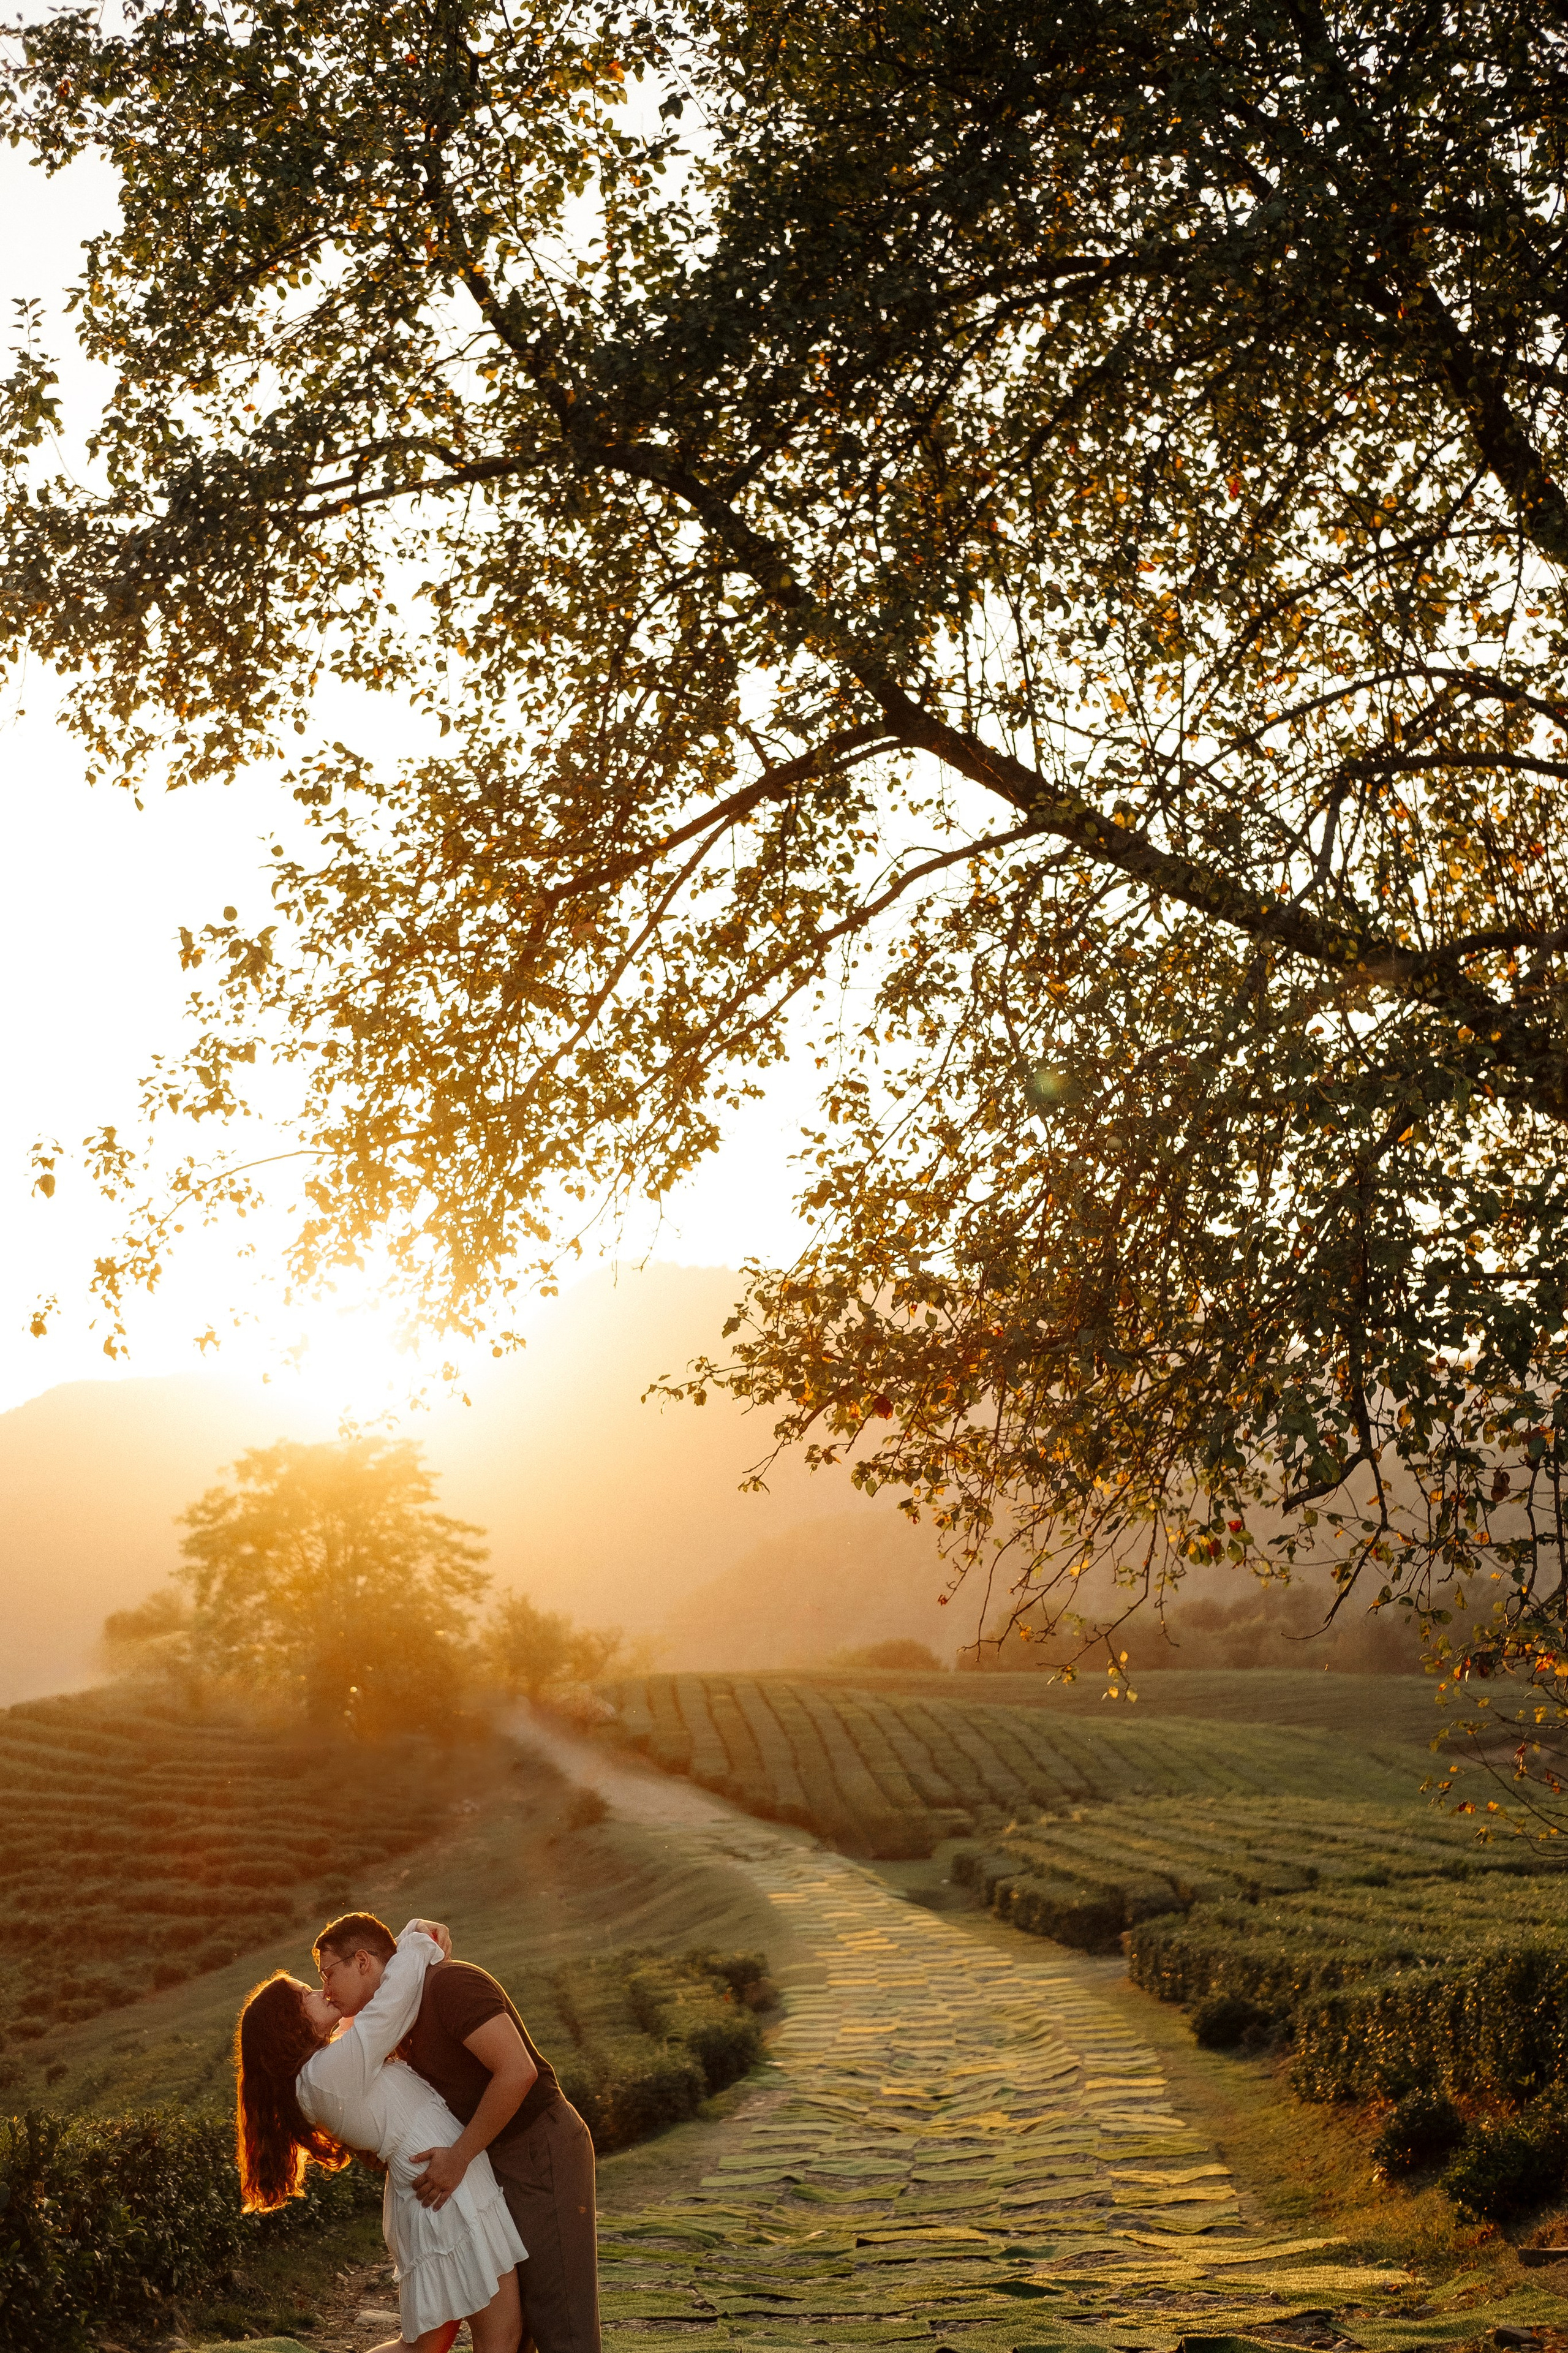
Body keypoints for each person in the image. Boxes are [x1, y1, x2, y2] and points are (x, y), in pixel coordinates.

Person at [314, 1911, 600, 2353]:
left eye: (328, 1972)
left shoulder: (450, 1985)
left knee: (562, 2320)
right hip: (491, 2157)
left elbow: (517, 2072)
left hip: (539, 2146)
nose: (326, 1988)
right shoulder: (397, 2016)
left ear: (363, 1960)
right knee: (517, 2325)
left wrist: (459, 2156)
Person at [236, 1917, 526, 2353]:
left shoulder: (320, 2072)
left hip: (436, 2185)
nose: (324, 1992)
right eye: (308, 1994)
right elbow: (391, 2005)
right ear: (289, 2025)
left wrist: (413, 1932)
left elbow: (368, 2005)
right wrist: (413, 1940)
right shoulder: (325, 2075)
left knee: (427, 2347)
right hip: (444, 2193)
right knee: (495, 2338)